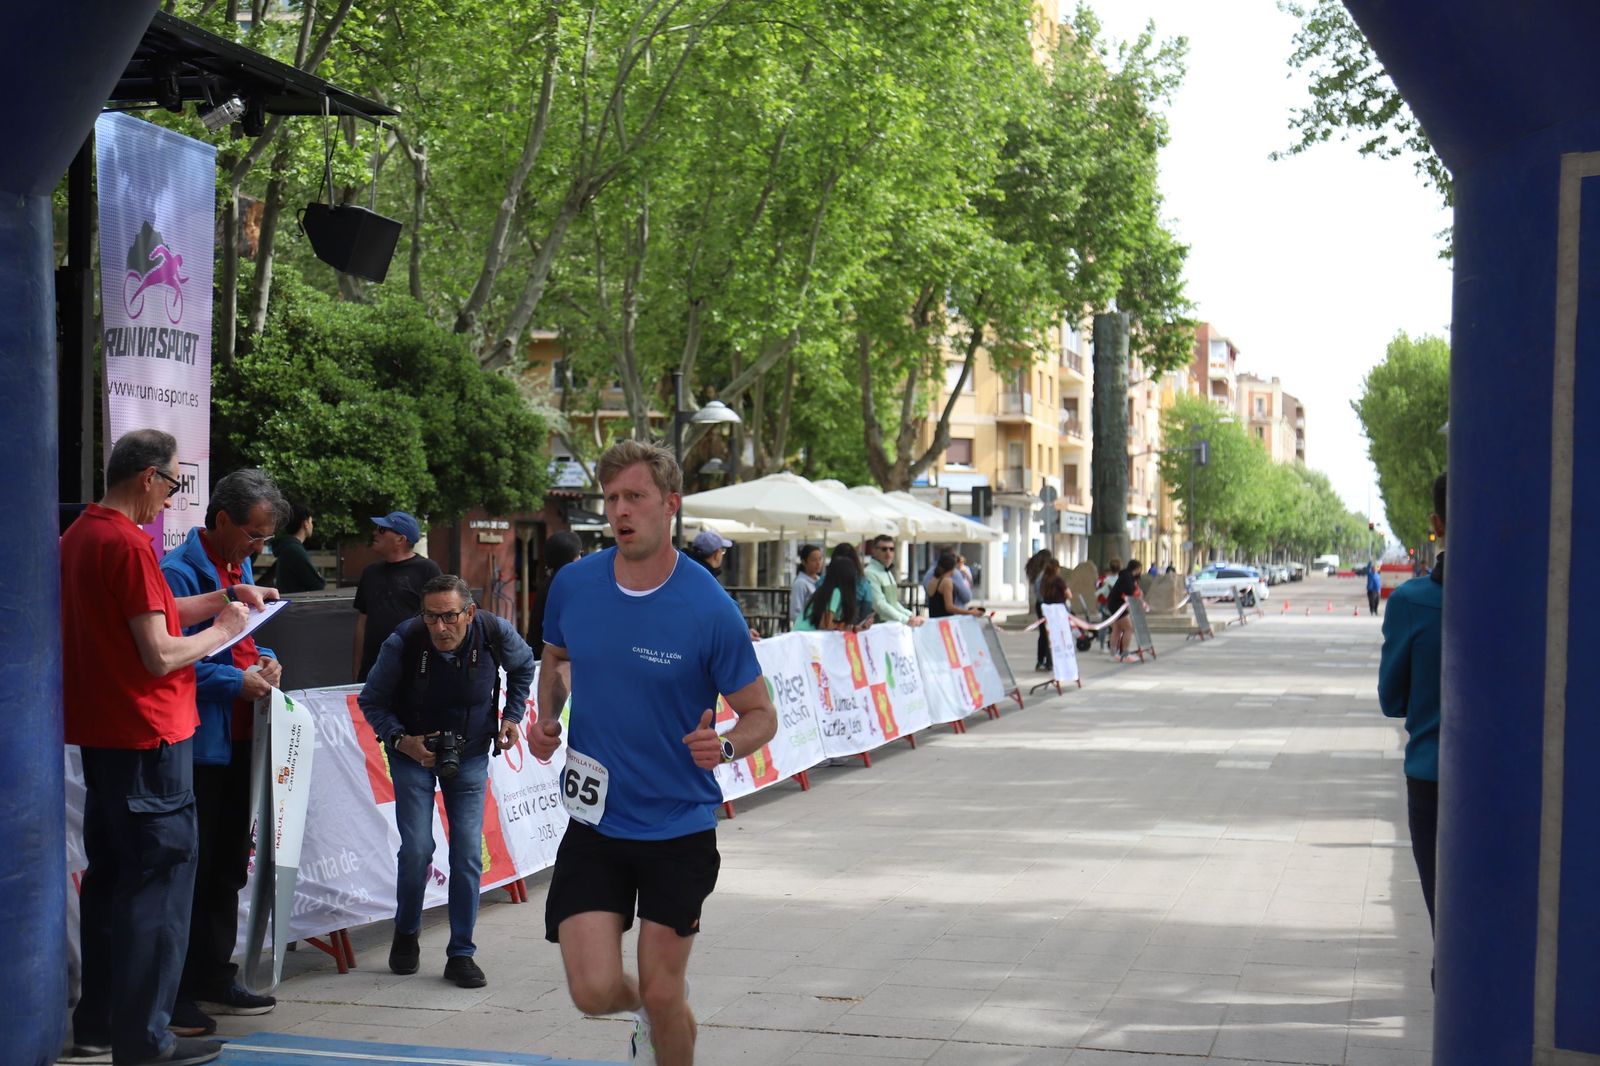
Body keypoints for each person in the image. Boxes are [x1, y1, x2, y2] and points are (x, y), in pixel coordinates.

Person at [528, 439, 777, 1066]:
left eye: (635, 496)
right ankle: (652, 1010)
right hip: (596, 820)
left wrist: (721, 745)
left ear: (670, 504)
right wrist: (546, 718)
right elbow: (557, 658)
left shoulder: (709, 609)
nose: (621, 511)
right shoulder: (575, 585)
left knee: (667, 991)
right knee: (592, 992)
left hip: (677, 823)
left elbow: (761, 714)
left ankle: (663, 1010)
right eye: (612, 499)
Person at [62, 429, 265, 1066]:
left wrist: (223, 598)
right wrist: (227, 629)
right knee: (158, 891)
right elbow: (160, 653)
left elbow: (152, 613)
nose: (172, 499)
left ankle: (97, 1025)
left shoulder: (82, 537)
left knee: (111, 885)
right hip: (151, 737)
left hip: (107, 737)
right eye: (174, 483)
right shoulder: (127, 543)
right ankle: (145, 1039)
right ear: (148, 477)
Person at [358, 574, 536, 988]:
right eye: (431, 617)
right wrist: (403, 741)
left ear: (469, 613)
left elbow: (525, 665)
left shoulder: (493, 631)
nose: (440, 627)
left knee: (469, 855)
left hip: (471, 752)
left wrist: (512, 716)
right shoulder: (404, 640)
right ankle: (406, 933)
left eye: (449, 617)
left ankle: (461, 953)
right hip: (412, 752)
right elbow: (372, 700)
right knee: (418, 849)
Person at [160, 470, 291, 1034]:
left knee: (228, 866)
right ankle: (177, 988)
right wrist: (232, 685)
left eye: (265, 540)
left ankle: (213, 972)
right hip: (198, 743)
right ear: (221, 521)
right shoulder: (178, 573)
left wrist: (266, 661)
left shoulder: (237, 570)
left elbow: (244, 638)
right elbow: (171, 659)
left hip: (241, 738)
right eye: (254, 536)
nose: (259, 548)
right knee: (192, 867)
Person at [1379, 472, 1446, 956]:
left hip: (1434, 778)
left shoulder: (1412, 603)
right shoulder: (1526, 599)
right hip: (1515, 780)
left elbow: (1392, 700)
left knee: (1446, 918)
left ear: (1436, 523)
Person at [353, 511, 441, 681]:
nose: (374, 532)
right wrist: (357, 668)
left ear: (401, 539)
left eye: (382, 529)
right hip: (372, 670)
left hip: (412, 670)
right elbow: (362, 623)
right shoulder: (370, 572)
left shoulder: (428, 570)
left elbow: (440, 619)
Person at [528, 531, 583, 656]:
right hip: (555, 659)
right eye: (579, 554)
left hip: (540, 655)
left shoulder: (549, 584)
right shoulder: (567, 587)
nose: (581, 559)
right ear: (571, 559)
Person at [795, 555, 871, 632]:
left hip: (803, 634)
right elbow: (826, 624)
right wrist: (843, 626)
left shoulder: (829, 590)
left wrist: (855, 628)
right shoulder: (835, 592)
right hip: (806, 635)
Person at [863, 535, 924, 627]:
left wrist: (910, 615)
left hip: (889, 627)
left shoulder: (886, 571)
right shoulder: (870, 573)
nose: (888, 553)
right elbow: (880, 605)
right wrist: (906, 619)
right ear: (874, 551)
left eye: (891, 549)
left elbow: (893, 602)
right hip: (876, 628)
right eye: (884, 549)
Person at [264, 502, 324, 593]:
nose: (312, 525)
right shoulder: (294, 550)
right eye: (311, 522)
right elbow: (318, 584)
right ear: (306, 523)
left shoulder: (287, 546)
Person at [925, 552, 983, 619]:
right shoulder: (947, 582)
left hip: (934, 620)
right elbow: (949, 608)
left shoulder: (933, 580)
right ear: (952, 568)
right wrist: (970, 612)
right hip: (945, 622)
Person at [1105, 559, 1143, 661]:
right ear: (1137, 569)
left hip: (1114, 604)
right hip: (1118, 605)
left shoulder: (1125, 576)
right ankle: (1125, 653)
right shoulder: (1127, 577)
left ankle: (1113, 654)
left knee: (1117, 629)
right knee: (1128, 628)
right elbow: (1128, 592)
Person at [790, 544, 823, 625]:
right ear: (804, 562)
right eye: (814, 560)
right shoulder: (800, 583)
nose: (818, 563)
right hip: (806, 630)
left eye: (820, 559)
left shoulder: (820, 580)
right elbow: (795, 614)